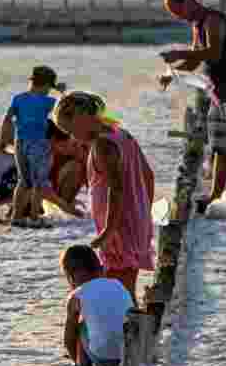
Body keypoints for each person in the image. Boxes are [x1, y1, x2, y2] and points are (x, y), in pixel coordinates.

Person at [158, 0, 226, 216]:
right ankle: (215, 196)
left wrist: (179, 54)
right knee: (220, 149)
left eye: (178, 10)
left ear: (191, 1)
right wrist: (171, 73)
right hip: (217, 94)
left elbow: (213, 54)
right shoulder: (197, 26)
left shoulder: (213, 20)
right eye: (173, 14)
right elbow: (196, 61)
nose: (178, 16)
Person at [54, 91, 155, 305]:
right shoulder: (122, 134)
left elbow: (116, 190)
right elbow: (148, 175)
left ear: (83, 117)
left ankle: (130, 334)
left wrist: (108, 232)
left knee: (120, 290)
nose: (72, 137)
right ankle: (130, 331)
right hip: (133, 221)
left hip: (119, 228)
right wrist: (143, 211)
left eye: (70, 129)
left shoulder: (103, 146)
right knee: (123, 285)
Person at [0, 127, 85, 224]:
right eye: (71, 145)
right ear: (55, 140)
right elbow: (42, 188)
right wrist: (64, 206)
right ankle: (14, 211)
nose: (72, 149)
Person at [57, 244, 134, 366]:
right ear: (99, 267)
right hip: (130, 354)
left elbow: (68, 339)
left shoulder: (77, 295)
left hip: (104, 357)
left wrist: (76, 360)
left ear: (71, 274)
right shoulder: (118, 284)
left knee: (79, 325)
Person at [0, 65, 65, 228]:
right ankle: (35, 217)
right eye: (50, 87)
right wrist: (62, 93)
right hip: (38, 144)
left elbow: (7, 119)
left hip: (20, 143)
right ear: (46, 85)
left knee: (24, 181)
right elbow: (66, 108)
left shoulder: (18, 99)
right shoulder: (48, 101)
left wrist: (3, 139)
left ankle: (16, 216)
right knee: (39, 182)